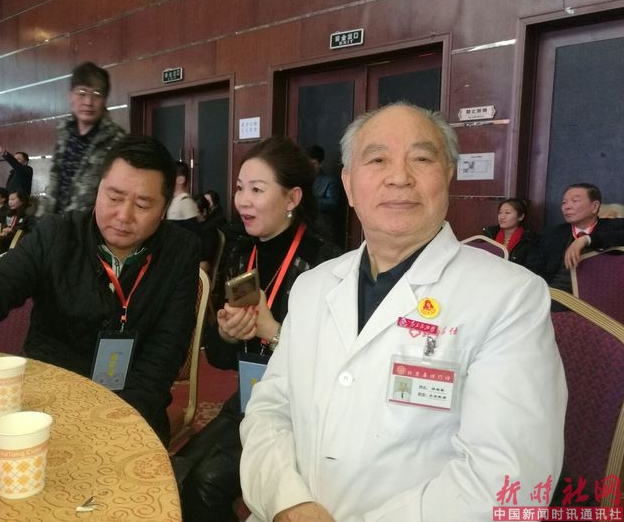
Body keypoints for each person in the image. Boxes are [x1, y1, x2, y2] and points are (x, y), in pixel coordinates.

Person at [239, 104, 567, 522]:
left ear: (448, 175)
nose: (399, 177)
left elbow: (509, 476)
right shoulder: (312, 286)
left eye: (422, 159)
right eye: (377, 160)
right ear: (348, 184)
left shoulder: (510, 298)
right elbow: (269, 410)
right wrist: (287, 502)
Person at [0, 135, 200, 446]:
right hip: (49, 398)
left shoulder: (180, 251)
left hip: (134, 406)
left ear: (163, 208)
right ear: (99, 189)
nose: (123, 215)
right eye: (114, 198)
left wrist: (117, 419)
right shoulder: (57, 234)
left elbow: (166, 349)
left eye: (142, 204)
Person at [173, 137, 339, 522]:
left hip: (300, 413)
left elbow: (331, 369)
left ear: (292, 198)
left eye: (257, 190)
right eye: (239, 188)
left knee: (205, 484)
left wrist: (273, 331)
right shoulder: (241, 251)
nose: (243, 201)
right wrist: (228, 334)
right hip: (250, 399)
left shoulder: (324, 262)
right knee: (176, 473)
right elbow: (220, 358)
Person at [40, 61, 127, 215]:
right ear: (71, 95)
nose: (88, 102)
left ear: (105, 100)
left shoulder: (118, 139)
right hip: (56, 224)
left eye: (97, 94)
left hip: (90, 226)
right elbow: (54, 183)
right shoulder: (64, 132)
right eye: (82, 92)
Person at [528, 183, 624, 293]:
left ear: (595, 206)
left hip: (598, 296)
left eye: (575, 201)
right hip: (555, 294)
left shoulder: (613, 226)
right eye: (564, 202)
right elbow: (533, 269)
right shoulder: (553, 234)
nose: (567, 207)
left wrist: (587, 239)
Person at [481, 198, 538, 267]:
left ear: (521, 217)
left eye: (507, 213)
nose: (502, 217)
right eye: (500, 212)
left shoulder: (529, 240)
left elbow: (531, 269)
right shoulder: (490, 234)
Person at [0, 189, 34, 254]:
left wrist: (12, 231)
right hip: (5, 242)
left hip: (17, 246)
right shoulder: (9, 214)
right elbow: (3, 226)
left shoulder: (29, 216)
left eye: (13, 199)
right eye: (9, 200)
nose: (10, 202)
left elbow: (29, 234)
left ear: (22, 200)